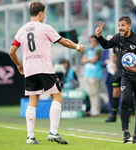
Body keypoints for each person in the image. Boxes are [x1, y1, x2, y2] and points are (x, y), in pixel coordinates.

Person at [9, 1, 85, 144]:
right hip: (44, 68)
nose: (44, 15)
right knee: (57, 98)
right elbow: (63, 41)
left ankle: (30, 137)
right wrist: (77, 47)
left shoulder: (22, 30)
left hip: (30, 70)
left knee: (33, 101)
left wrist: (20, 64)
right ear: (40, 13)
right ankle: (53, 133)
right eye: (44, 13)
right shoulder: (45, 28)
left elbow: (12, 51)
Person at [95, 16, 136, 144]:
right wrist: (99, 36)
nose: (120, 28)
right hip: (126, 75)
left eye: (123, 25)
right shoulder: (118, 38)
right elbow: (106, 45)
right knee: (124, 99)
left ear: (129, 26)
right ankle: (126, 132)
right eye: (119, 25)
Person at [81, 35, 102, 116]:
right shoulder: (88, 50)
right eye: (90, 41)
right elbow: (83, 60)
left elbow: (94, 60)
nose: (91, 43)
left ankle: (97, 109)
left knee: (95, 92)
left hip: (95, 74)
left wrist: (88, 60)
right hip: (87, 73)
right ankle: (93, 108)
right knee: (90, 93)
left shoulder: (99, 50)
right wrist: (89, 60)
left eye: (93, 41)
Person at [100, 35, 113, 116]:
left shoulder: (119, 50)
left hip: (117, 75)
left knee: (119, 95)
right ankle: (111, 112)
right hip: (108, 76)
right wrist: (106, 62)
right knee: (110, 94)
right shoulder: (104, 52)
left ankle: (120, 111)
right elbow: (101, 63)